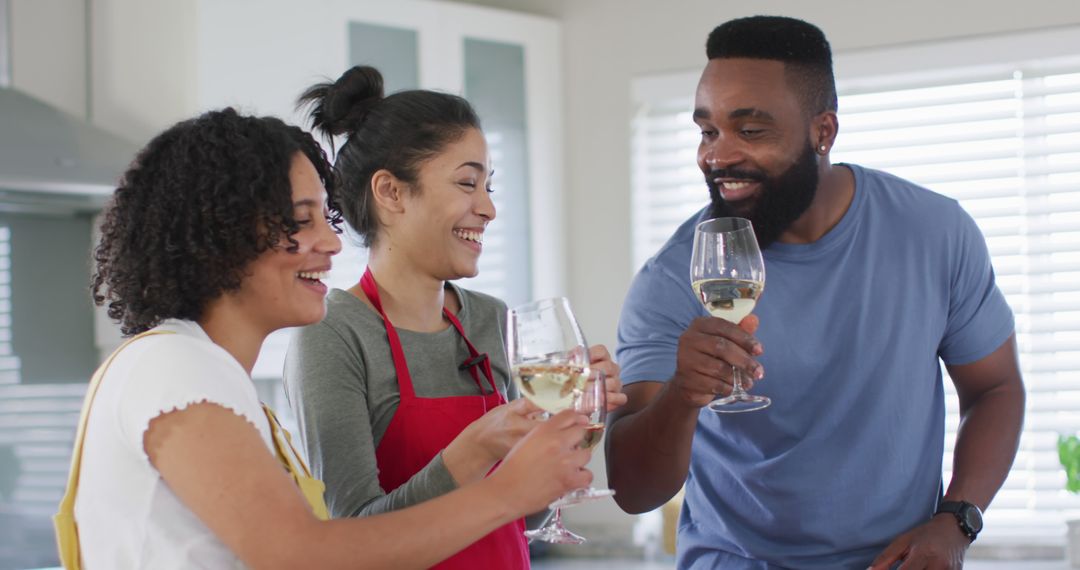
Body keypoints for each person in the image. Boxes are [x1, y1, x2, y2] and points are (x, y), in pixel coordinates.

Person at [63, 107, 593, 569]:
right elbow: (302, 556)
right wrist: (502, 493)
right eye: (302, 220)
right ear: (222, 233)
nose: (333, 241)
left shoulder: (207, 373)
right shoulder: (175, 365)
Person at [606, 15, 1025, 570]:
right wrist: (685, 393)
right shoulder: (674, 276)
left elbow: (995, 388)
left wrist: (958, 518)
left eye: (750, 131)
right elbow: (633, 491)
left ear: (823, 131)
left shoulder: (935, 232)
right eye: (708, 131)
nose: (718, 155)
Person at [283, 66, 624, 569]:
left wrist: (573, 427)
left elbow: (520, 517)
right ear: (391, 192)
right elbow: (353, 540)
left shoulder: (492, 320)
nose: (488, 208)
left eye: (489, 186)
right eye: (468, 183)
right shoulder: (335, 333)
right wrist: (476, 448)